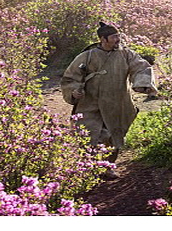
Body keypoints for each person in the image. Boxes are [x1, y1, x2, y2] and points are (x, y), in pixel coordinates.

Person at [61, 21, 158, 178]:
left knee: (113, 136)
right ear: (103, 39)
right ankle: (89, 169)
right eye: (113, 37)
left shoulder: (126, 54)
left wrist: (141, 84)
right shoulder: (87, 56)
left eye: (118, 36)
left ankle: (108, 168)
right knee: (90, 135)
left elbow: (141, 67)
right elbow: (70, 77)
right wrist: (74, 92)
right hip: (90, 104)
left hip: (117, 103)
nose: (117, 40)